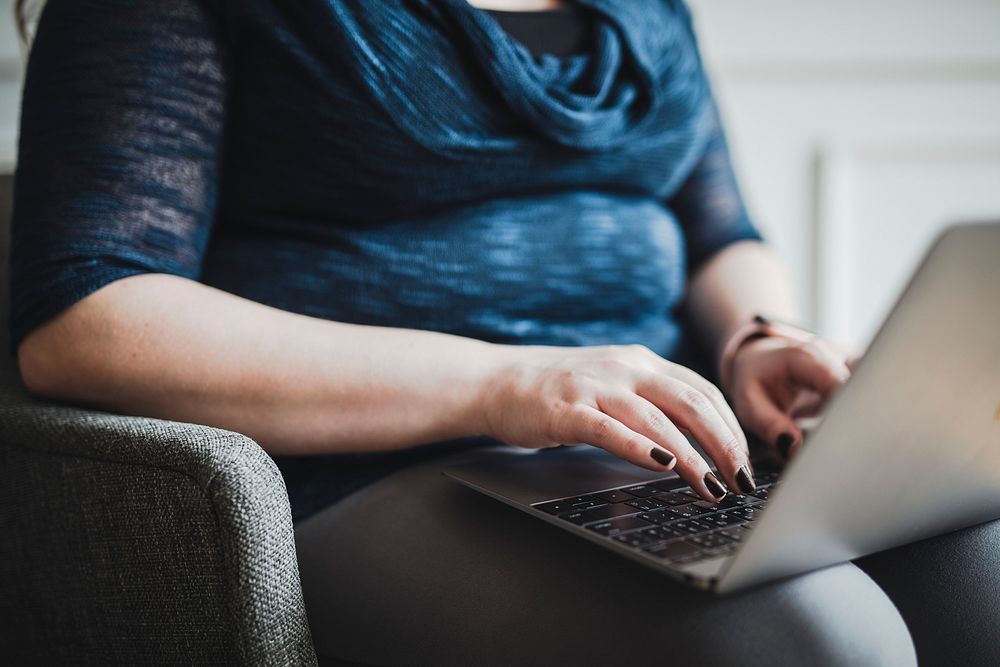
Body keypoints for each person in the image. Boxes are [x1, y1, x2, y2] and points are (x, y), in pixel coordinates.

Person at [8, 1, 998, 664]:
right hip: (377, 473)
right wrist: (511, 383)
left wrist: (752, 341)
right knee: (820, 643)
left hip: (658, 460)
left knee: (980, 570)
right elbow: (87, 318)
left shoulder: (645, 12)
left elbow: (715, 231)